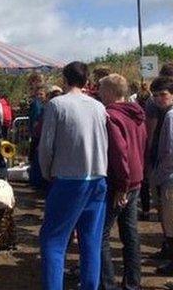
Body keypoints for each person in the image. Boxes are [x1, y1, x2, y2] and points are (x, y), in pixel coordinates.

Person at [38, 61, 108, 290]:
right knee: (91, 241)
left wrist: (46, 173)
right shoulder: (98, 106)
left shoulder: (57, 105)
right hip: (97, 178)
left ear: (65, 80)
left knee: (53, 241)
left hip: (68, 179)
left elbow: (46, 146)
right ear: (86, 81)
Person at [98, 74, 147, 290]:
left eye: (100, 89)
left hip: (120, 182)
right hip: (136, 178)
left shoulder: (111, 116)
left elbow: (118, 152)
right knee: (130, 233)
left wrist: (121, 185)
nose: (98, 93)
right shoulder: (137, 114)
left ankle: (108, 284)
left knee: (101, 235)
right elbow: (142, 144)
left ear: (109, 92)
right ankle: (133, 283)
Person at [148, 76, 173, 275]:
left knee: (170, 221)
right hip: (166, 174)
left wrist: (159, 174)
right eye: (155, 95)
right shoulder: (166, 114)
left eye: (163, 95)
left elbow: (170, 151)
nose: (158, 99)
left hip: (169, 176)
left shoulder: (171, 116)